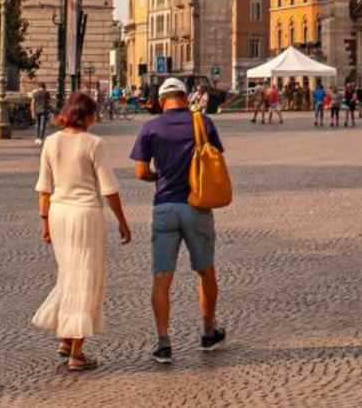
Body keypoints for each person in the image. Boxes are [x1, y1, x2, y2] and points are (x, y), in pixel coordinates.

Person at [130, 77, 227, 364]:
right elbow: (215, 159)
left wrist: (160, 177)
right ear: (186, 98)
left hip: (164, 207)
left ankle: (163, 343)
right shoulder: (204, 123)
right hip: (197, 206)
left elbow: (140, 172)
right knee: (205, 271)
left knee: (162, 277)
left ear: (162, 101)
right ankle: (208, 332)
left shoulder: (150, 128)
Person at [34, 93, 133, 372]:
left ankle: (66, 340)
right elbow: (109, 189)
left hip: (58, 215)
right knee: (85, 279)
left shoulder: (51, 142)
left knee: (69, 275)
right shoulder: (94, 143)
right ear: (88, 115)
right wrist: (122, 222)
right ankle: (77, 353)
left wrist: (44, 224)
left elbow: (44, 187)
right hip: (86, 215)